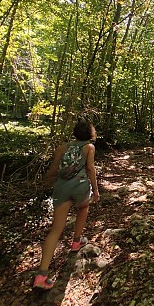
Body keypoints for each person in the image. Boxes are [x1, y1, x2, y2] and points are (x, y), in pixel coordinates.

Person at [33, 120, 99, 290]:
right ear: (89, 133)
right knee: (83, 207)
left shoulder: (62, 148)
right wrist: (96, 190)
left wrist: (46, 184)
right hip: (80, 185)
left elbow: (54, 169)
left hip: (62, 187)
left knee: (55, 229)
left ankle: (41, 275)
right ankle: (77, 241)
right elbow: (90, 168)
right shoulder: (89, 148)